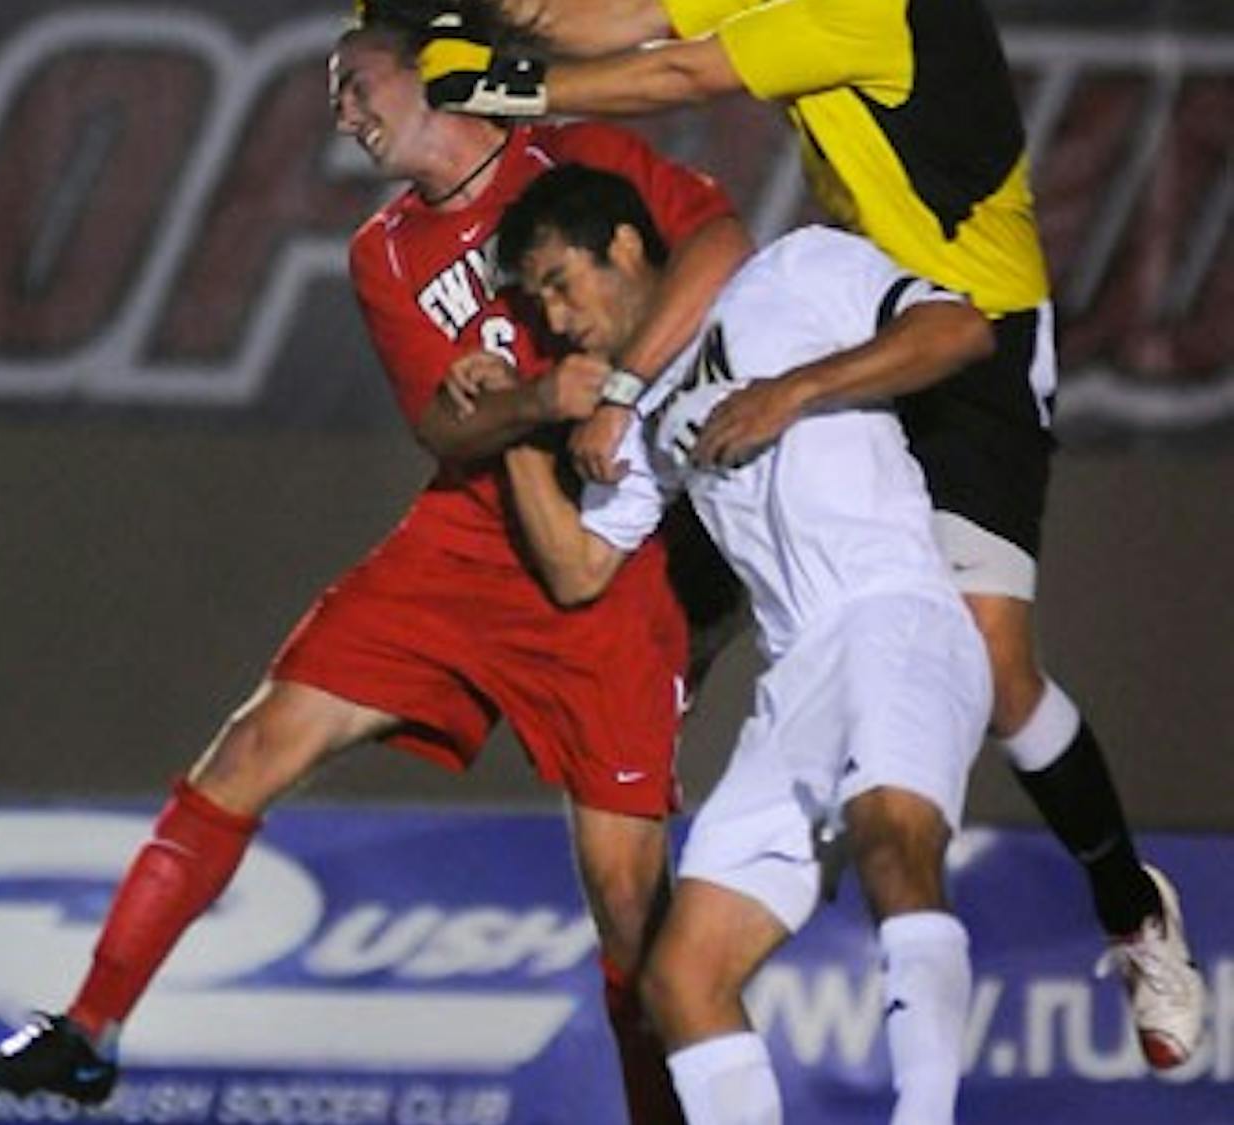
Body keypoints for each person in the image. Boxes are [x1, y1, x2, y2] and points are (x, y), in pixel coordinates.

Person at [0, 14, 752, 1121]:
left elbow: (718, 245)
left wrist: (619, 389)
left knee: (629, 910)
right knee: (254, 744)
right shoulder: (381, 254)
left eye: (354, 81)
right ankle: (89, 1028)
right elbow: (447, 430)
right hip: (466, 546)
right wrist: (528, 401)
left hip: (614, 561)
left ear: (433, 66)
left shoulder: (576, 156)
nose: (342, 111)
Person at [418, 0, 1207, 1067]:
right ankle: (759, 802)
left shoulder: (879, 10)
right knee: (700, 566)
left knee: (991, 663)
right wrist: (508, 23)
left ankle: (1129, 907)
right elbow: (623, 22)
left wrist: (502, 84)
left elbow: (676, 79)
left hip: (968, 331)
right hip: (837, 297)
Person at [490, 161, 994, 1125]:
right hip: (797, 675)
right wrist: (512, 432)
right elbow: (580, 568)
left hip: (896, 615)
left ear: (627, 246)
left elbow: (959, 328)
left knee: (896, 841)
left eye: (561, 281)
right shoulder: (635, 413)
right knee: (681, 975)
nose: (554, 316)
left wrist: (792, 390)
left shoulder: (795, 270)